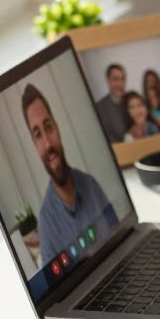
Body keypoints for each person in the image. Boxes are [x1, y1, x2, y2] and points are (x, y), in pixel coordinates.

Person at [22, 83, 119, 266]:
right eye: (38, 134)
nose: (48, 143)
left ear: (57, 129)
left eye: (48, 127)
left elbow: (121, 237)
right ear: (35, 145)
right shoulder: (46, 224)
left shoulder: (90, 184)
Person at [93, 63, 131, 143]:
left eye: (122, 79)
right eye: (116, 79)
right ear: (108, 81)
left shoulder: (132, 101)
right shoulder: (100, 107)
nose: (120, 84)